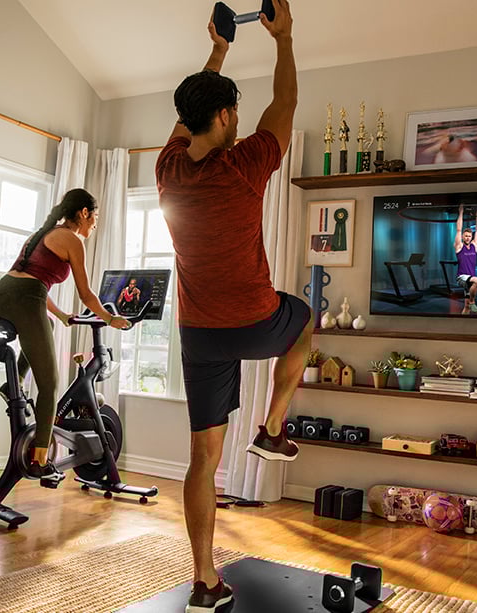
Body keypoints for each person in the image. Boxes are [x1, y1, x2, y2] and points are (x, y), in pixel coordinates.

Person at [154, 2, 310, 611]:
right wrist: (285, 39)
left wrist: (218, 49)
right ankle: (273, 429)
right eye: (234, 113)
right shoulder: (244, 166)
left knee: (202, 459)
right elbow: (286, 105)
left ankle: (204, 581)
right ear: (223, 116)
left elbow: (188, 112)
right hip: (256, 320)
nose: (241, 121)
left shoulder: (167, 169)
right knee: (305, 323)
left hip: (199, 334)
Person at [0, 188, 130, 472]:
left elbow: (30, 279)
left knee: (46, 324)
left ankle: (10, 385)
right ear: (84, 213)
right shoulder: (72, 240)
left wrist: (60, 315)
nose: (95, 224)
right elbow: (86, 295)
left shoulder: (41, 234)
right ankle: (40, 458)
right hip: (24, 299)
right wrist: (111, 320)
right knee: (49, 383)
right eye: (95, 217)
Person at [454, 204, 477, 315]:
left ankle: (463, 321)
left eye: (469, 236)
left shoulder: (474, 246)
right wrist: (461, 212)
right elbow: (458, 229)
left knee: (466, 308)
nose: (468, 238)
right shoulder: (459, 246)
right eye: (465, 236)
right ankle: (472, 302)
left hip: (470, 279)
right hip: (461, 277)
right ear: (462, 237)